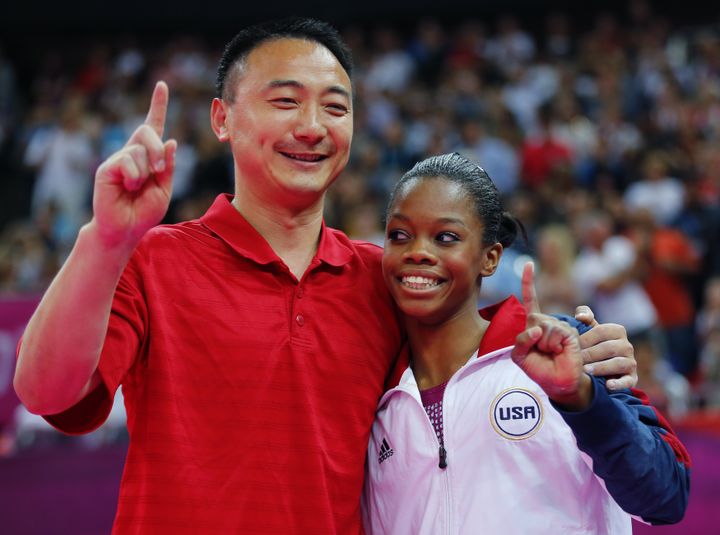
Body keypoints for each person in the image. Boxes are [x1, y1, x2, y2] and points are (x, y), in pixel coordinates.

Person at [14, 19, 637, 534]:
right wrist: (105, 241)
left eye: (334, 107)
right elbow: (47, 394)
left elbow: (491, 352)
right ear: (221, 119)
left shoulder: (382, 278)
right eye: (285, 101)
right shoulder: (153, 259)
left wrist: (588, 351)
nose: (313, 126)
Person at [362, 153, 690, 535]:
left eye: (445, 237)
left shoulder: (570, 351)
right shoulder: (377, 400)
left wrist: (581, 400)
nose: (417, 251)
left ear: (490, 258)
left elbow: (666, 496)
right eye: (399, 235)